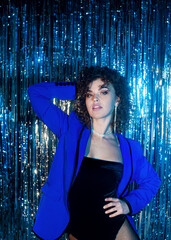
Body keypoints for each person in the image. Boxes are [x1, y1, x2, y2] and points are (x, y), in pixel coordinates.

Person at [28, 66, 161, 240]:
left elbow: (153, 181)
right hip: (80, 227)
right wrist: (80, 87)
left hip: (116, 226)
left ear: (117, 99)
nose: (95, 98)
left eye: (103, 92)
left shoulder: (129, 148)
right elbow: (35, 92)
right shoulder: (70, 130)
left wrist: (128, 204)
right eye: (89, 94)